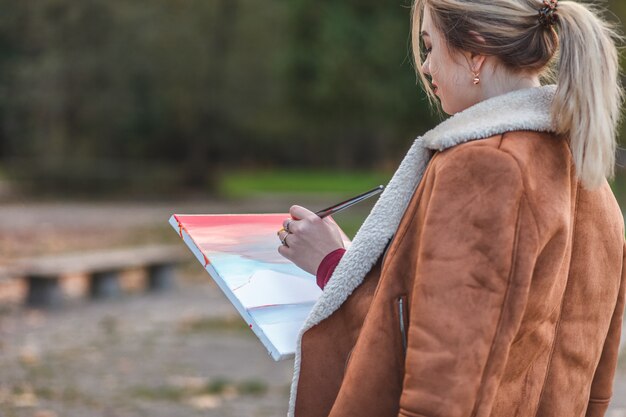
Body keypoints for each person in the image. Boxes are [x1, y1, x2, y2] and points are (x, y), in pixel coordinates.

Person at [277, 0, 626, 416]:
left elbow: (440, 375)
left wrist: (332, 264)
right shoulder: (587, 174)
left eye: (429, 46)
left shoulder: (484, 167)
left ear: (475, 52)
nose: (426, 67)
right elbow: (591, 381)